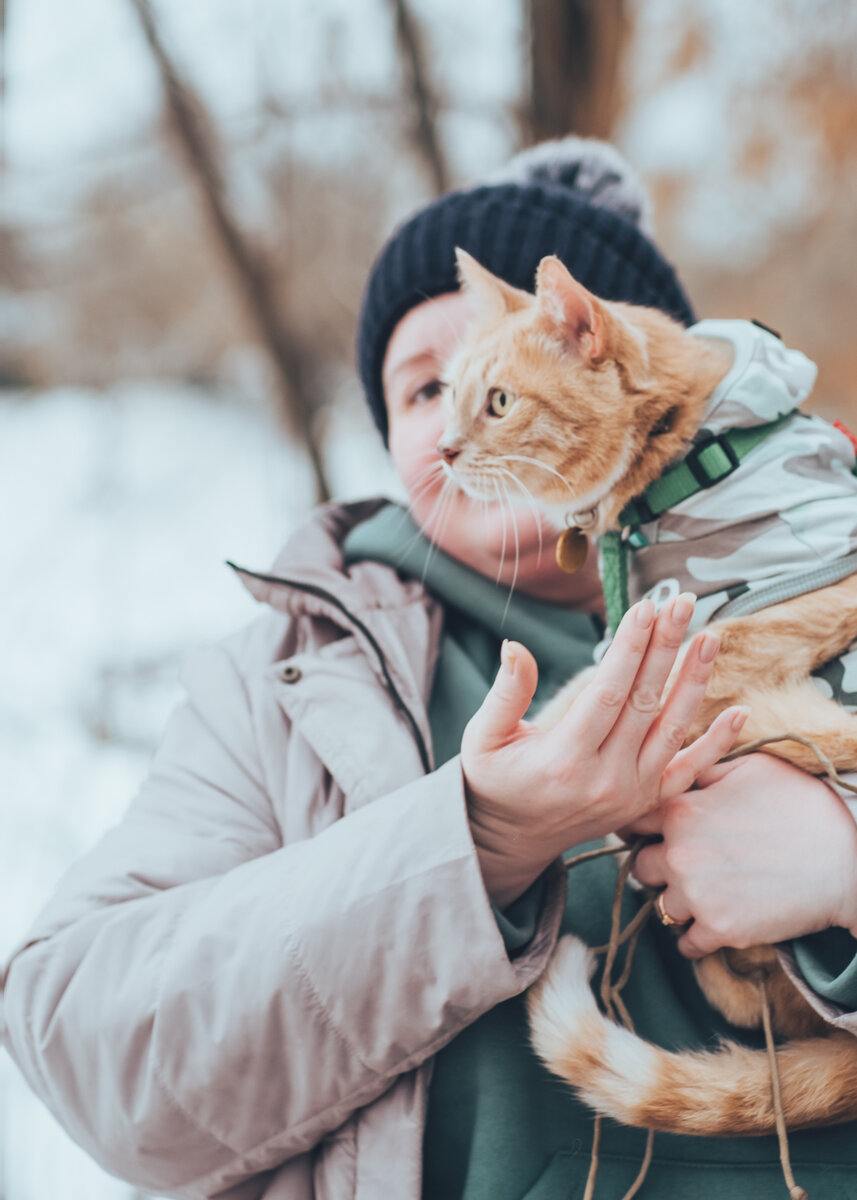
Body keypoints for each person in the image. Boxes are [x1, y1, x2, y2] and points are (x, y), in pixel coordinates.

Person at [3, 137, 857, 1200]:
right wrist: (473, 846)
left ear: (599, 351)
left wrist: (842, 865)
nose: (457, 439)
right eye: (425, 395)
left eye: (495, 394)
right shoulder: (287, 677)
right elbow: (88, 1049)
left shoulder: (823, 541)